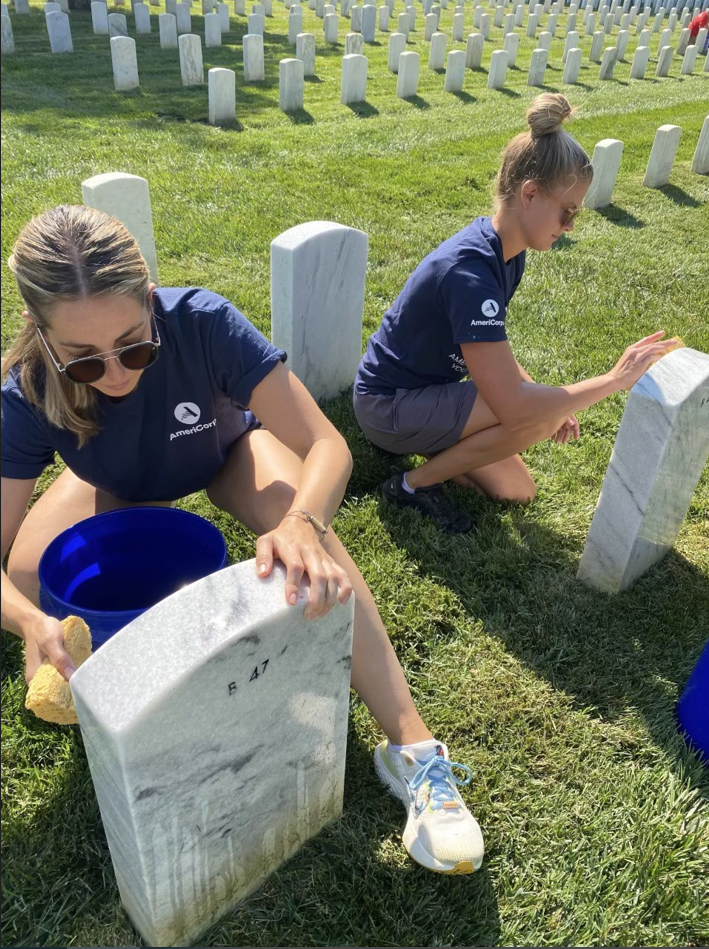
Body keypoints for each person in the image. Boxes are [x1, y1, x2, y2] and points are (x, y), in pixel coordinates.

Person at [1, 205, 483, 875]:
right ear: (40, 334)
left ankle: (414, 749)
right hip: (114, 482)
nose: (116, 373)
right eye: (83, 362)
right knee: (25, 585)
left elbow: (326, 446)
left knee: (314, 546)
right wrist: (30, 620)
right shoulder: (24, 390)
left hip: (225, 451)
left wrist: (301, 525)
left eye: (135, 345)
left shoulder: (201, 322)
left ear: (149, 300)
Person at [353, 94, 679, 533]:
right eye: (567, 212)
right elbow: (511, 402)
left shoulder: (508, 253)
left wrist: (550, 403)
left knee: (517, 489)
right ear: (529, 193)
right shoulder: (469, 273)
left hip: (427, 395)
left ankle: (439, 448)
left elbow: (496, 353)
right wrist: (613, 381)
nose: (570, 227)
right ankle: (411, 485)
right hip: (386, 407)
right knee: (529, 414)